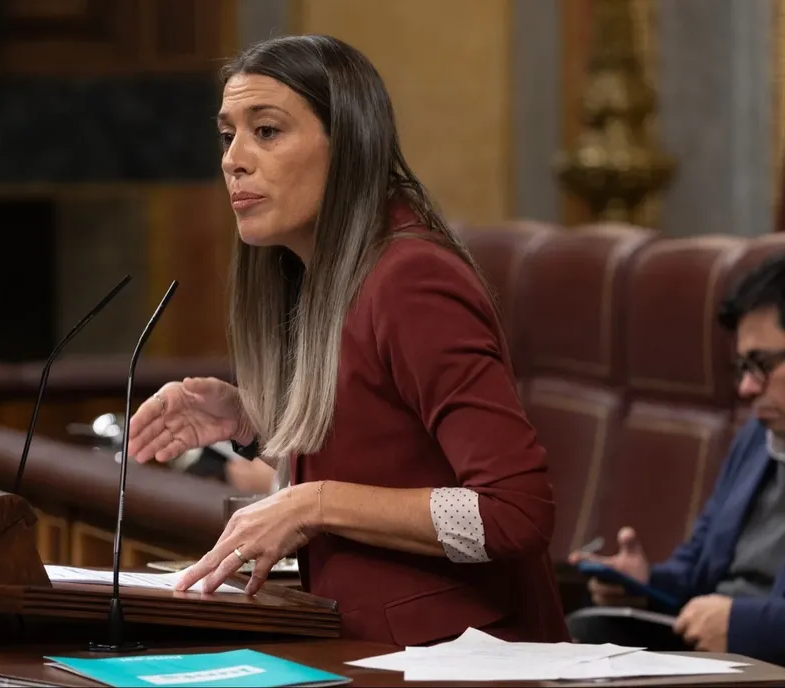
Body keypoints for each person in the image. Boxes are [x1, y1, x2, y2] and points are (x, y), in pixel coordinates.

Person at [126, 34, 568, 646]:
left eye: (267, 131)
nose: (234, 160)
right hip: (369, 649)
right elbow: (388, 454)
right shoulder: (326, 273)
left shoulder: (412, 279)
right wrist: (249, 420)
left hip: (464, 658)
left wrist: (312, 505)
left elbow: (512, 512)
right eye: (228, 136)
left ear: (349, 145)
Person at [568, 254, 785, 666]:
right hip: (709, 654)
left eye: (761, 365)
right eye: (742, 367)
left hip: (764, 665)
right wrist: (643, 584)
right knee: (584, 638)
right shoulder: (756, 438)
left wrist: (740, 625)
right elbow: (696, 568)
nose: (746, 388)